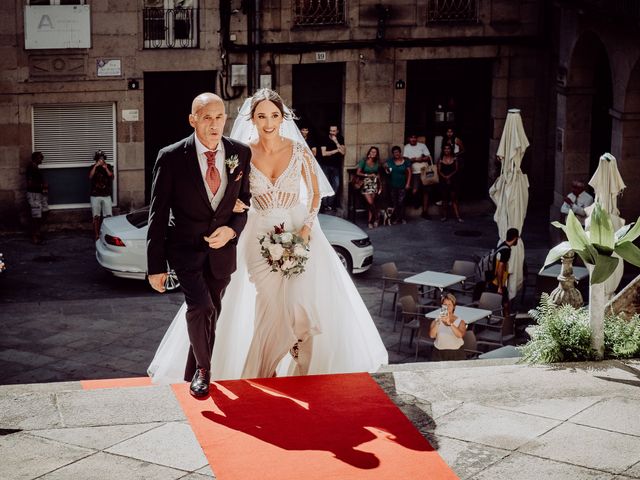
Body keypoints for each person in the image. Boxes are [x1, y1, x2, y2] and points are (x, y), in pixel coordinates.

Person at [148, 88, 388, 384]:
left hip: (297, 230)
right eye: (261, 116)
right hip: (257, 234)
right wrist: (237, 208)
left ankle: (299, 359)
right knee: (266, 302)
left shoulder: (291, 151)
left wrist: (305, 228)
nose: (269, 122)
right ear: (252, 119)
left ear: (282, 117)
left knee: (300, 303)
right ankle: (259, 367)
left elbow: (315, 193)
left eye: (274, 115)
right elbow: (235, 193)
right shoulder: (243, 152)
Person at [146, 92, 252, 398]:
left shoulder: (240, 153)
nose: (215, 124)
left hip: (222, 254)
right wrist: (155, 267)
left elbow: (244, 204)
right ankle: (205, 371)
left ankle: (193, 371)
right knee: (201, 306)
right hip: (185, 250)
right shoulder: (171, 156)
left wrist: (231, 233)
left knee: (212, 313)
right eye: (207, 117)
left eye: (220, 117)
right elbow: (158, 212)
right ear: (193, 120)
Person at [487, 227, 520, 321]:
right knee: (505, 304)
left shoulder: (502, 245)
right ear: (515, 238)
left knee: (503, 303)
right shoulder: (506, 251)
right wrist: (500, 286)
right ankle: (507, 323)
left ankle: (505, 321)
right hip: (497, 282)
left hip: (494, 280)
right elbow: (500, 268)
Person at [429, 293, 467, 361]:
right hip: (438, 353)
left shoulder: (461, 322)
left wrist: (450, 324)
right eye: (445, 305)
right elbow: (432, 335)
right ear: (442, 306)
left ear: (454, 307)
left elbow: (460, 335)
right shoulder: (436, 321)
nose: (447, 307)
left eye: (450, 305)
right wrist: (438, 322)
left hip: (456, 353)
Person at [403, 134, 432, 219]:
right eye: (411, 137)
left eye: (415, 137)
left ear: (417, 138)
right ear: (409, 138)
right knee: (414, 190)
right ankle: (417, 202)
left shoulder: (422, 145)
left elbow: (428, 157)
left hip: (425, 171)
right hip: (414, 172)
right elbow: (405, 160)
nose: (413, 139)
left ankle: (425, 211)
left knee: (426, 191)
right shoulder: (406, 147)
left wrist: (422, 159)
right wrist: (415, 159)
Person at [89, 150, 115, 240]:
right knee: (96, 216)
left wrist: (106, 168)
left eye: (102, 158)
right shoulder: (93, 167)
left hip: (106, 195)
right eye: (99, 158)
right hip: (95, 195)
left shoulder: (109, 166)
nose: (101, 160)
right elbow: (90, 177)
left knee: (108, 216)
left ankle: (107, 234)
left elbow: (111, 176)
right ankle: (96, 235)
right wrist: (96, 166)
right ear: (96, 159)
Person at [320, 124, 346, 212]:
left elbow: (342, 152)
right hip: (325, 165)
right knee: (325, 185)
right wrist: (336, 150)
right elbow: (324, 153)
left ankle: (330, 204)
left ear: (337, 131)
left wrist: (336, 142)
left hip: (336, 166)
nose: (332, 133)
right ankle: (324, 205)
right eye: (331, 131)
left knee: (336, 185)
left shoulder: (340, 138)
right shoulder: (324, 138)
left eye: (334, 131)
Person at [356, 146, 382, 229]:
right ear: (369, 153)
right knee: (370, 203)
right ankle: (377, 217)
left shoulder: (377, 162)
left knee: (372, 203)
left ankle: (370, 221)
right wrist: (368, 175)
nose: (373, 153)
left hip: (374, 183)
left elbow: (378, 175)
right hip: (365, 183)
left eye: (375, 152)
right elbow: (358, 173)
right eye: (372, 152)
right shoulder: (364, 161)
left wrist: (380, 186)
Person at [26, 151, 49, 245]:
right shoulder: (31, 168)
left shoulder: (36, 168)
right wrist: (42, 186)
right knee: (36, 216)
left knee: (45, 211)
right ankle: (34, 236)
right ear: (35, 158)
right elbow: (29, 184)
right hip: (34, 195)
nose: (42, 159)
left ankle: (37, 231)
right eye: (40, 158)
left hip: (40, 194)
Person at [386, 146, 411, 224]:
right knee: (395, 203)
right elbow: (386, 168)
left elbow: (409, 173)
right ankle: (397, 218)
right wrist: (386, 168)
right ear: (392, 154)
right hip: (393, 185)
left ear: (400, 152)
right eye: (394, 152)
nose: (396, 153)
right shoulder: (390, 161)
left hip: (402, 185)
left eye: (397, 152)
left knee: (401, 202)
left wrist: (408, 183)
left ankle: (403, 218)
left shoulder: (405, 161)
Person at [438, 144, 463, 222]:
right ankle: (444, 216)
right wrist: (445, 177)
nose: (446, 150)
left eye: (448, 149)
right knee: (444, 199)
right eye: (445, 149)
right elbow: (439, 170)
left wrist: (449, 176)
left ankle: (458, 217)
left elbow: (456, 169)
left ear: (451, 150)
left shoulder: (455, 158)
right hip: (443, 181)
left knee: (454, 199)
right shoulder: (441, 159)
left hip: (453, 180)